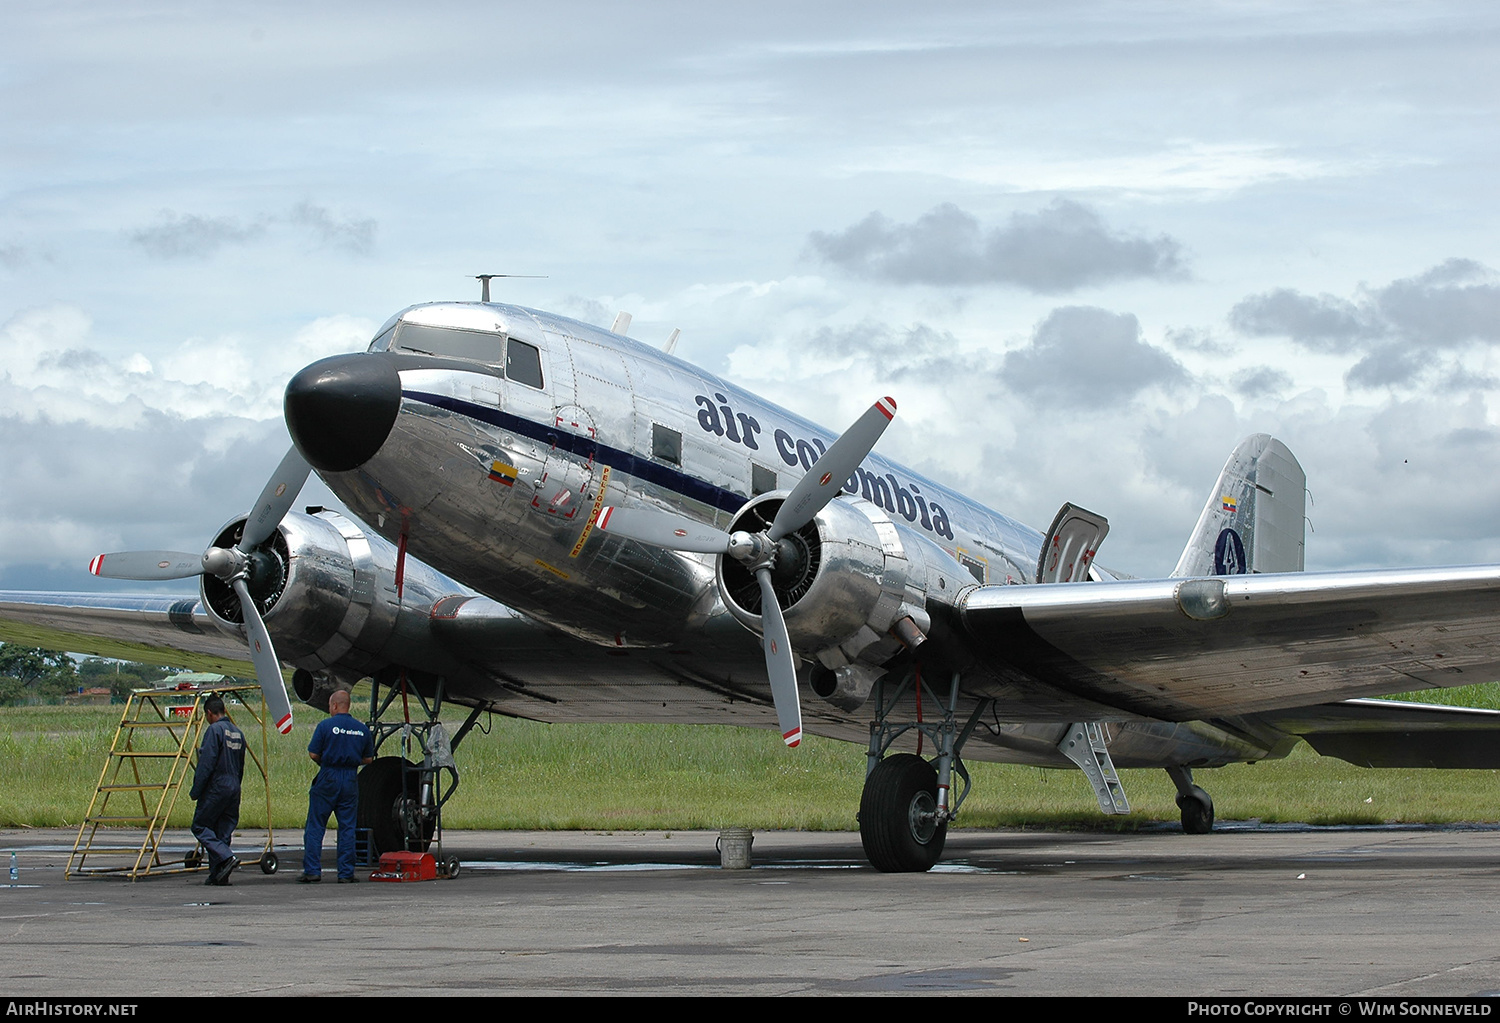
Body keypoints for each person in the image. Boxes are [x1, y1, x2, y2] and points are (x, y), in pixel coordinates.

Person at [300, 689, 375, 883]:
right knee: (347, 828)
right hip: (350, 778)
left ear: (334, 706)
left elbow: (313, 754)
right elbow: (368, 758)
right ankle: (345, 873)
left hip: (328, 776)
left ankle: (313, 871)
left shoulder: (326, 726)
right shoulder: (362, 729)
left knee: (316, 826)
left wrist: (328, 762)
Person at [189, 693, 245, 886]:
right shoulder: (238, 732)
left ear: (210, 713)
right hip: (234, 786)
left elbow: (206, 763)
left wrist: (196, 790)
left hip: (218, 785)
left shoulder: (215, 730)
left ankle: (226, 856)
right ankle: (218, 875)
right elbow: (241, 765)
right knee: (222, 831)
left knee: (200, 826)